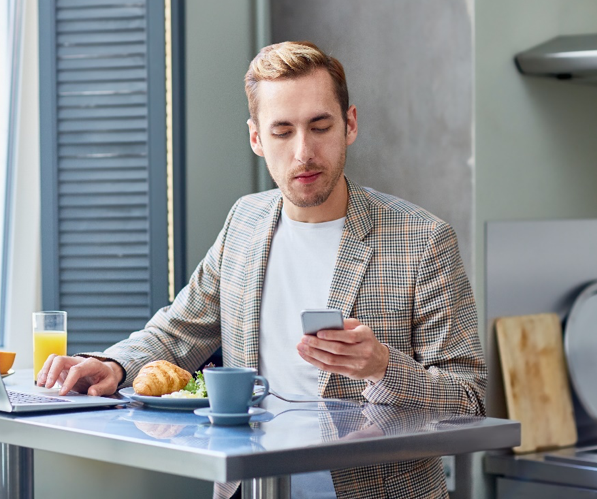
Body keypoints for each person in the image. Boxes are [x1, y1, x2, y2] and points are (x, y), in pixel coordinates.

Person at [37, 41, 487, 499]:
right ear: (256, 138)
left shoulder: (422, 239)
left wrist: (384, 367)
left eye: (319, 126)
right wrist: (111, 363)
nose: (303, 152)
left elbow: (471, 397)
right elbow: (178, 331)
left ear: (349, 124)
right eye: (282, 131)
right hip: (250, 489)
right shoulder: (245, 222)